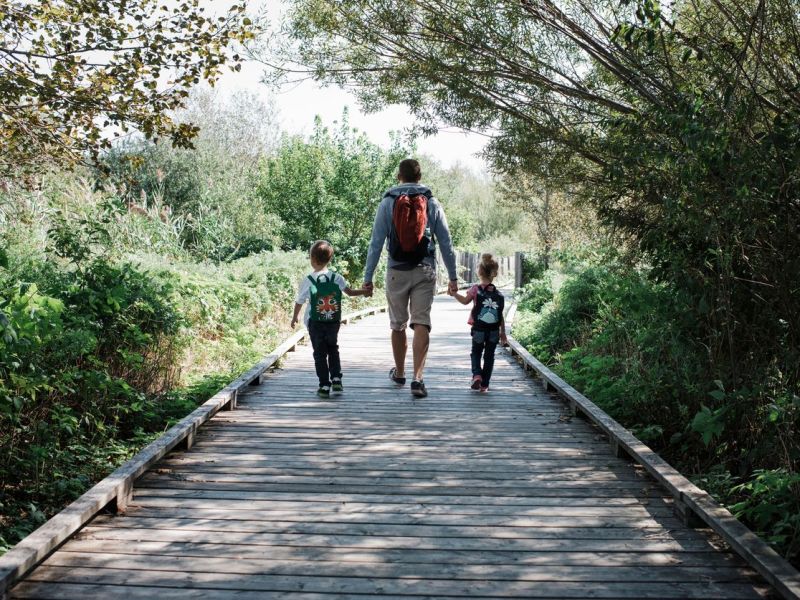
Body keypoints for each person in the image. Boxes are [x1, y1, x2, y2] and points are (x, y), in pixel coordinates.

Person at [362, 158, 459, 398]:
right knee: (421, 322)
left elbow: (375, 243)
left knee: (398, 324)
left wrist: (368, 278)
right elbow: (446, 242)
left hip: (396, 270)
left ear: (399, 176)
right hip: (425, 269)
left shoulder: (388, 202)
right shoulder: (431, 201)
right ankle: (418, 379)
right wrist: (453, 277)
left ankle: (400, 373)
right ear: (420, 176)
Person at [291, 240, 371, 399]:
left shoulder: (309, 280)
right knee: (333, 348)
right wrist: (364, 291)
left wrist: (295, 317)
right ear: (329, 259)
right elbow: (349, 292)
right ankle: (336, 379)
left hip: (315, 322)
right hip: (333, 321)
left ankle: (324, 385)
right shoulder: (337, 277)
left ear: (312, 259)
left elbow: (300, 301)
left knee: (319, 353)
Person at [451, 253, 508, 393]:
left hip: (478, 329)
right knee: (489, 357)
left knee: (476, 353)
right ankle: (485, 385)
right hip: (494, 331)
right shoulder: (498, 294)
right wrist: (503, 333)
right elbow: (500, 315)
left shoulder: (475, 289)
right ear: (493, 274)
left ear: (480, 271)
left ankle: (477, 375)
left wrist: (454, 294)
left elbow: (465, 302)